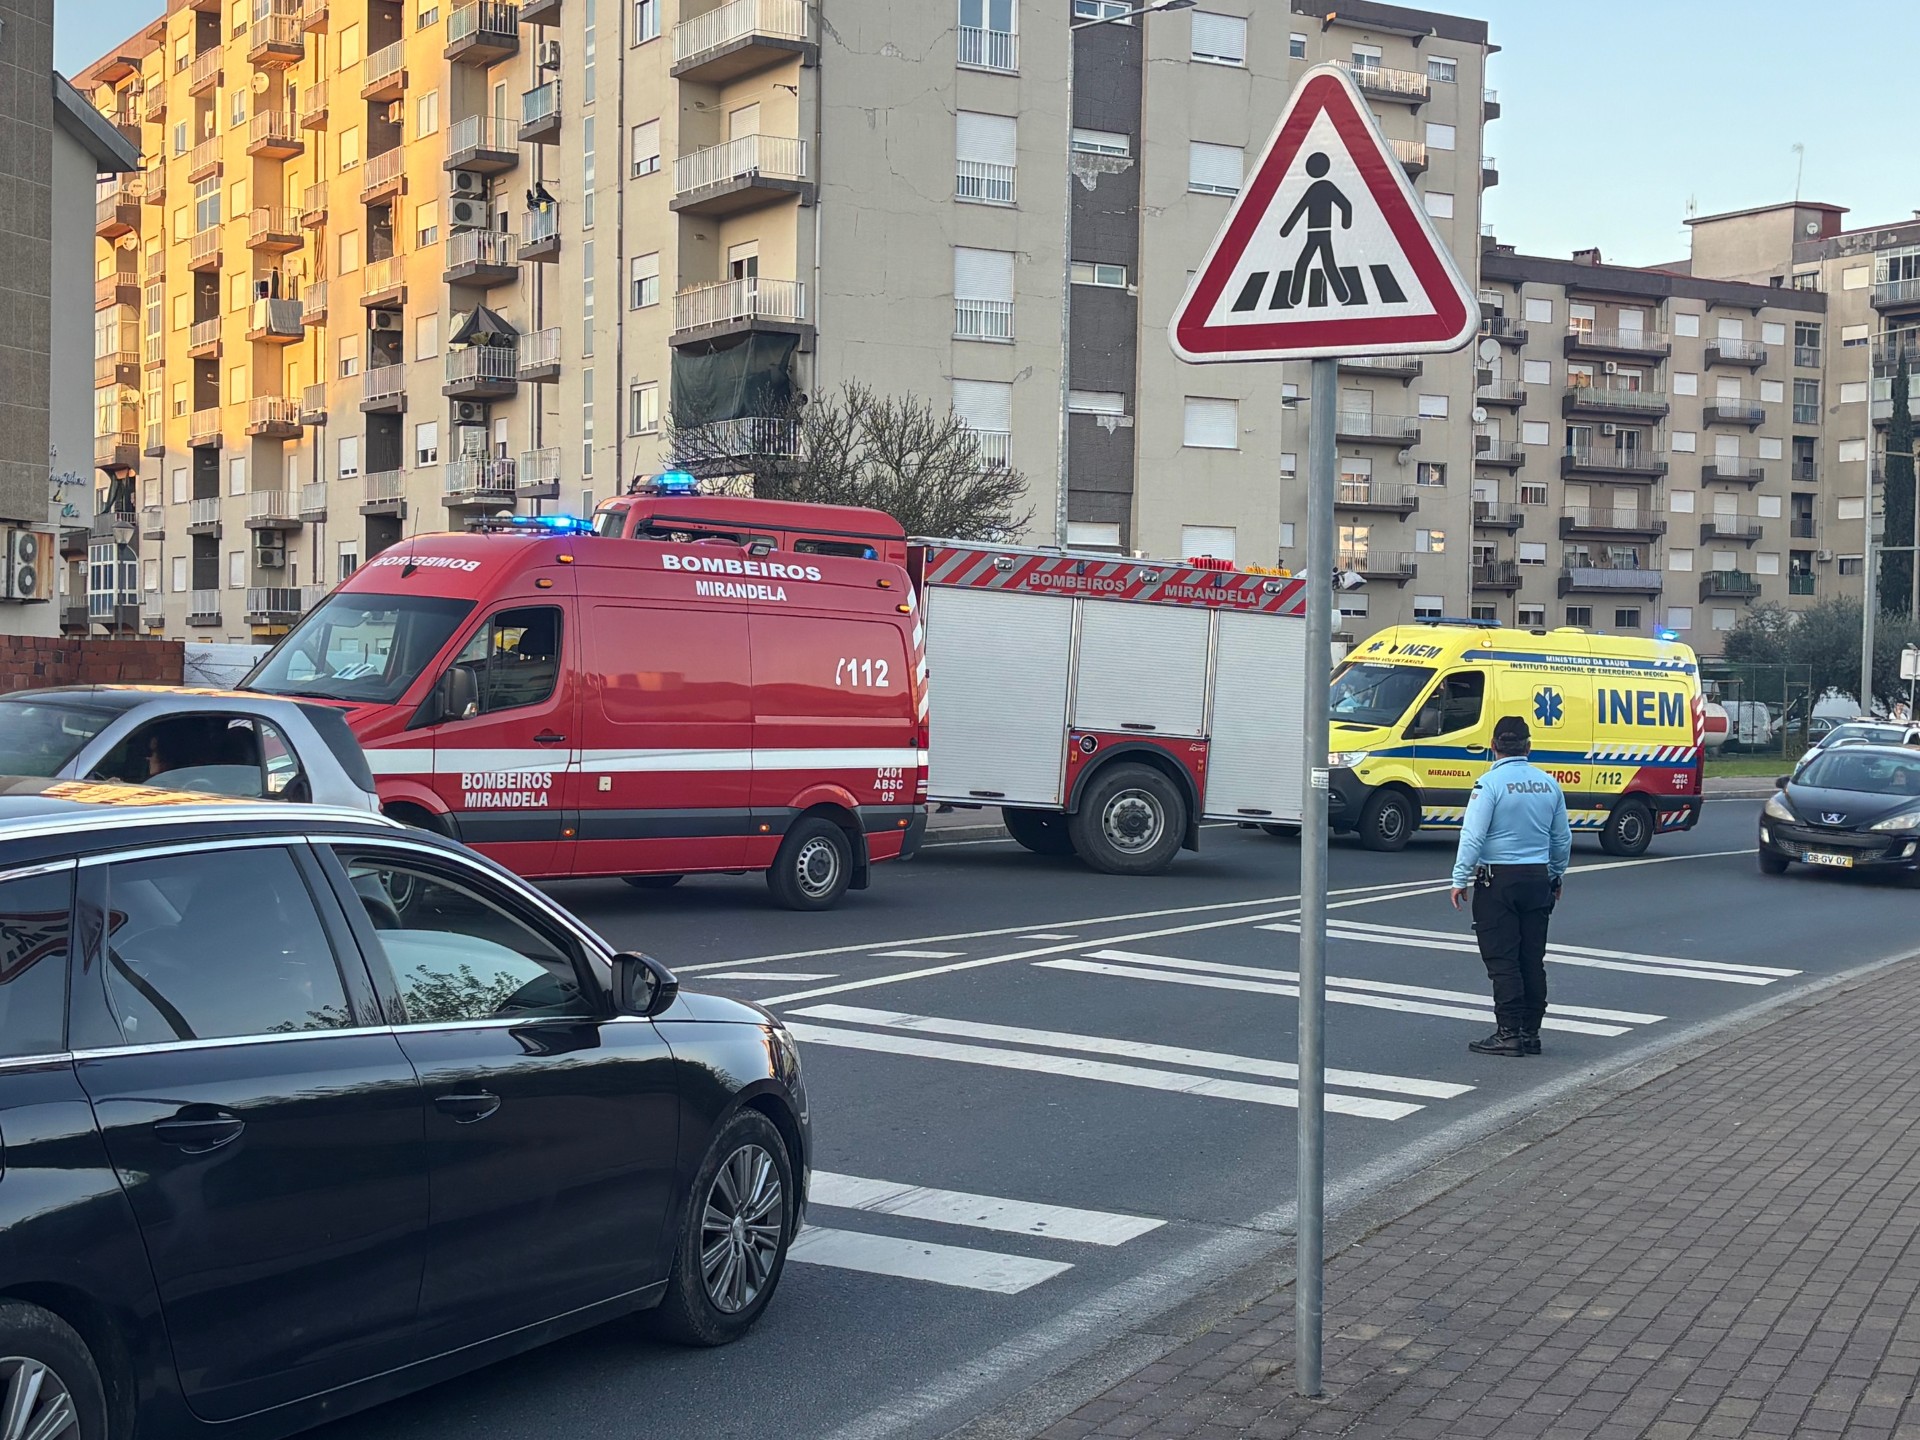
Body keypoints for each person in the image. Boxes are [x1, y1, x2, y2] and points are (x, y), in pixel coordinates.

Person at [1448, 715, 1571, 1058]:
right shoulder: (1549, 784)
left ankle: (1508, 1033)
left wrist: (1460, 878)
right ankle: (1531, 1032)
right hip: (1537, 879)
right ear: (1528, 747)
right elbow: (1562, 838)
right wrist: (1555, 876)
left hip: (1498, 881)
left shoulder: (1489, 784)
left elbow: (1473, 836)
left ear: (1493, 746)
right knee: (1532, 959)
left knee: (1503, 960)